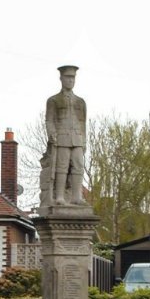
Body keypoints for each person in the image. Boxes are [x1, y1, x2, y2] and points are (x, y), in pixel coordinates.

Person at [44, 65, 87, 205]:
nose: (70, 80)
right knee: (61, 167)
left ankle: (76, 197)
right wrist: (51, 134)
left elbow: (83, 123)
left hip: (77, 139)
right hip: (61, 138)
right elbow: (49, 120)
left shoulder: (80, 102)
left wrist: (84, 141)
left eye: (72, 77)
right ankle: (60, 197)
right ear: (61, 78)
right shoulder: (54, 100)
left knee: (78, 165)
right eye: (68, 77)